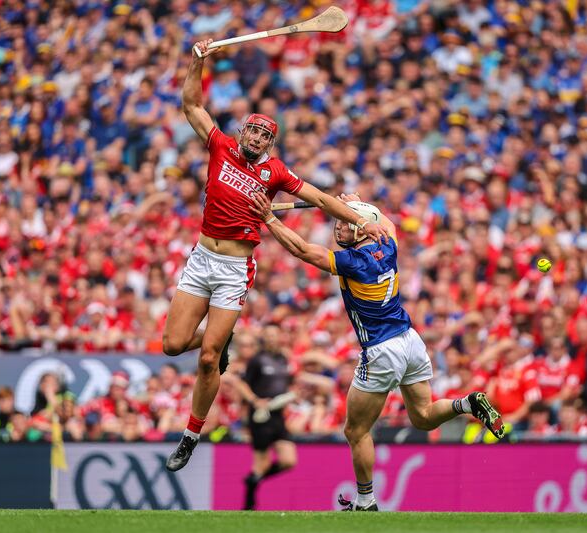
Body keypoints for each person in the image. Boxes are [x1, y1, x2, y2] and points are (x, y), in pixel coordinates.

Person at [164, 39, 389, 473]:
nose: (257, 137)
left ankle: (191, 434)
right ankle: (219, 336)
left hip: (234, 268)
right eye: (253, 130)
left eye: (266, 135)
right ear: (243, 130)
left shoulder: (276, 173)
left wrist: (361, 221)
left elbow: (321, 199)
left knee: (209, 358)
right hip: (201, 258)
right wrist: (198, 62)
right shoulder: (221, 146)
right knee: (174, 345)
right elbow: (191, 104)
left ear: (270, 142)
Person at [249, 191, 504, 511]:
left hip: (382, 349)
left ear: (361, 230)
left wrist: (269, 219)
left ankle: (366, 501)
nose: (339, 228)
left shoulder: (354, 262)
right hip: (410, 341)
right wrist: (357, 205)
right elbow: (386, 222)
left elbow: (301, 249)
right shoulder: (389, 243)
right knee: (423, 417)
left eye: (345, 224)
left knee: (355, 430)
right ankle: (466, 402)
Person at [234, 326, 297, 510]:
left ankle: (253, 480)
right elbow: (242, 384)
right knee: (261, 462)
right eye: (268, 335)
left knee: (288, 460)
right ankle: (248, 504)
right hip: (261, 416)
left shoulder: (283, 359)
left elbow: (286, 384)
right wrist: (255, 400)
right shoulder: (257, 359)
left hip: (278, 416)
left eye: (275, 335)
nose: (271, 338)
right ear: (263, 338)